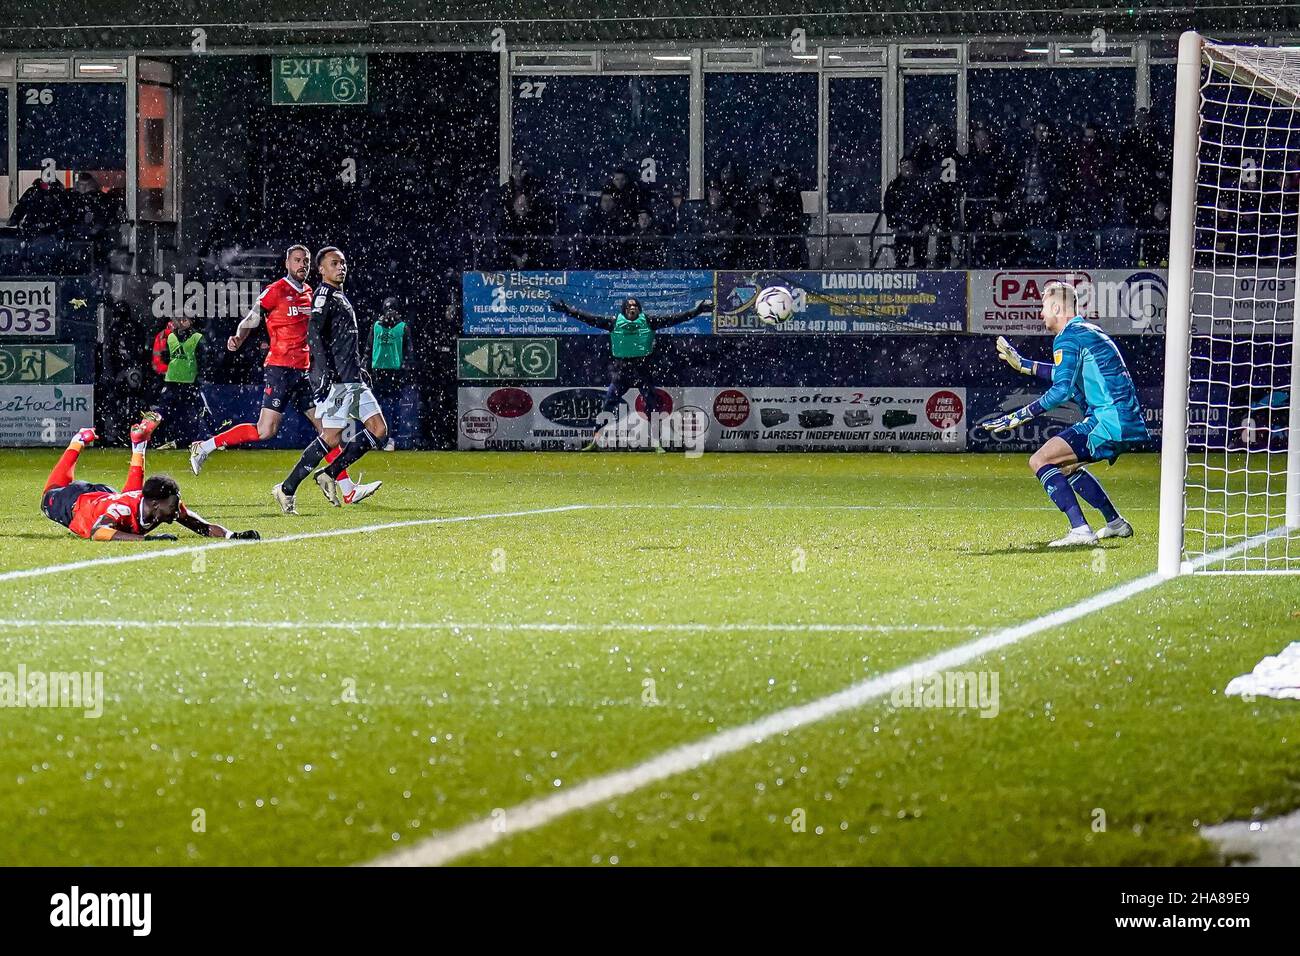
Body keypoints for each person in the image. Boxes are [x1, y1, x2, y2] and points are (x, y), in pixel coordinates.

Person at [188, 245, 380, 504]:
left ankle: (346, 488)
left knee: (327, 432)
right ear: (287, 264)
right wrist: (239, 336)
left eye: (306, 261)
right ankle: (205, 446)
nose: (302, 265)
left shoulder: (312, 294)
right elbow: (253, 317)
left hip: (304, 372)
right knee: (265, 430)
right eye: (297, 260)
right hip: (280, 369)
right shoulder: (276, 290)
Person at [987, 281, 1149, 547]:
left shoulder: (1068, 337)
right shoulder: (1086, 332)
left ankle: (1080, 530)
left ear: (1055, 306)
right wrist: (1023, 365)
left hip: (1109, 421)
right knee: (1065, 466)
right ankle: (1115, 523)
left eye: (1042, 307)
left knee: (1040, 460)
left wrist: (1018, 416)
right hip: (1122, 419)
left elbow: (1062, 389)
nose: (1041, 314)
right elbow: (1066, 374)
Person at [273, 247, 388, 514]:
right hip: (337, 381)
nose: (341, 267)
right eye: (334, 263)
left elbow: (342, 340)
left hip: (353, 379)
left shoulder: (339, 296)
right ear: (321, 270)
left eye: (343, 263)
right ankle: (286, 489)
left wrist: (358, 367)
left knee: (379, 430)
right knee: (331, 438)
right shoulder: (324, 295)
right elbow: (313, 333)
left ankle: (330, 473)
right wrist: (322, 371)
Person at [40, 416, 259, 542]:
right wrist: (147, 539)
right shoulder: (124, 510)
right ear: (155, 504)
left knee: (127, 498)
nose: (176, 511)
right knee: (49, 494)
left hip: (108, 495)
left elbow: (202, 526)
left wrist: (233, 536)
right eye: (173, 506)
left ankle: (139, 445)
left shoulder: (161, 505)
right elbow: (98, 531)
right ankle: (78, 441)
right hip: (74, 503)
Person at [548, 295, 712, 451]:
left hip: (642, 371)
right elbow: (589, 318)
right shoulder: (614, 323)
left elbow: (676, 318)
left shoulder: (648, 321)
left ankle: (656, 442)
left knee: (652, 407)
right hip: (622, 372)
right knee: (608, 404)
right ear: (624, 310)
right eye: (629, 306)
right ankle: (595, 440)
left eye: (634, 306)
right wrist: (568, 311)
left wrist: (696, 311)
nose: (632, 308)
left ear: (638, 309)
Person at [150, 314, 212, 447]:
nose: (180, 322)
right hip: (173, 381)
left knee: (198, 411)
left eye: (184, 320)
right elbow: (164, 357)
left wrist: (200, 377)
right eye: (178, 319)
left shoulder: (197, 338)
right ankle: (155, 439)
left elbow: (204, 360)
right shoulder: (170, 337)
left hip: (189, 381)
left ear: (191, 321)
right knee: (165, 411)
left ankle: (214, 439)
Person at [370, 296, 409, 451]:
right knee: (374, 408)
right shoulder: (376, 326)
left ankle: (390, 438)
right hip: (378, 370)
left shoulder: (402, 327)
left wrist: (406, 371)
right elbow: (369, 347)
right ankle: (375, 437)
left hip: (394, 371)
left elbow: (408, 352)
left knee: (393, 408)